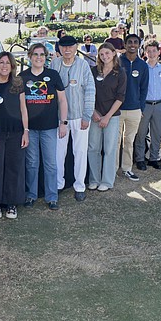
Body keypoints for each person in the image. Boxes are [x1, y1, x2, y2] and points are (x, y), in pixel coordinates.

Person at [20, 43, 68, 209]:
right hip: (30, 129)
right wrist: (24, 129)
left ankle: (52, 197)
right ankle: (31, 195)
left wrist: (63, 122)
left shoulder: (53, 75)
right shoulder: (22, 77)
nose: (39, 57)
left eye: (42, 54)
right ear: (29, 56)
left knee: (50, 164)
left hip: (49, 127)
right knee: (32, 163)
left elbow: (62, 100)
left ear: (46, 57)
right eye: (35, 54)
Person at [0, 52, 29, 219]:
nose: (4, 66)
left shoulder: (18, 84)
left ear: (12, 66)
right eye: (1, 62)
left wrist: (26, 131)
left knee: (14, 168)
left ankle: (11, 204)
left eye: (7, 63)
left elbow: (23, 109)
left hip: (16, 133)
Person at [52, 36, 95, 201]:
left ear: (76, 47)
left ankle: (79, 186)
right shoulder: (54, 64)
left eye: (70, 46)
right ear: (59, 48)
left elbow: (90, 91)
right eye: (64, 47)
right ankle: (58, 184)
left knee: (80, 152)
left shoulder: (83, 65)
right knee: (59, 152)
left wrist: (87, 115)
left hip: (79, 116)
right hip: (60, 118)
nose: (67, 50)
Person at [88, 43, 126, 191]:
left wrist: (107, 117)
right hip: (95, 115)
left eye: (107, 53)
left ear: (114, 53)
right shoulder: (93, 71)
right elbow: (88, 92)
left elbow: (120, 97)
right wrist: (93, 112)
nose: (105, 56)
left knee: (109, 149)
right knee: (93, 148)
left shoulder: (120, 73)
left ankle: (107, 181)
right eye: (102, 54)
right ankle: (94, 179)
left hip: (112, 116)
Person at [133, 40, 161, 170]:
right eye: (149, 51)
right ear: (145, 53)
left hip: (159, 105)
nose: (152, 53)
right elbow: (137, 89)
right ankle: (140, 158)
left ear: (159, 52)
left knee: (157, 133)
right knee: (141, 133)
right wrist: (139, 107)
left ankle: (153, 158)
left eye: (154, 51)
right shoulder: (142, 68)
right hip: (145, 105)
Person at [117, 34, 149, 181]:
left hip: (135, 109)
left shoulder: (143, 65)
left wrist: (141, 108)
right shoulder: (117, 62)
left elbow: (144, 89)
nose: (132, 45)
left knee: (129, 141)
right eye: (129, 42)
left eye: (135, 42)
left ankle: (127, 168)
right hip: (117, 109)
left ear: (139, 45)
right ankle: (112, 170)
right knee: (115, 141)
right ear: (125, 44)